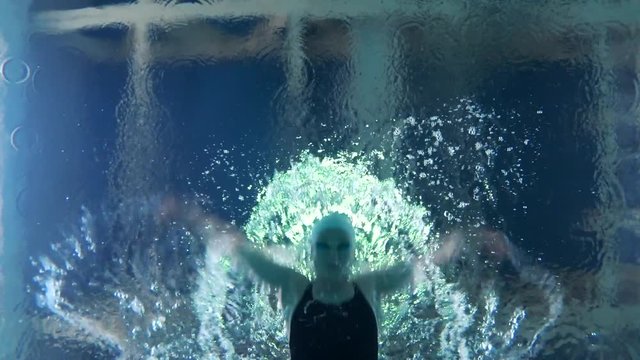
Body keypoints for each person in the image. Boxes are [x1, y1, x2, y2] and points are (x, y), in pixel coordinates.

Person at [160, 198, 420, 360]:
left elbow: (426, 263)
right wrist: (191, 215)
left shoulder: (369, 285)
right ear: (312, 251)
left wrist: (455, 245)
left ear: (353, 253)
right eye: (324, 247)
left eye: (342, 247)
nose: (334, 257)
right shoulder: (294, 286)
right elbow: (241, 249)